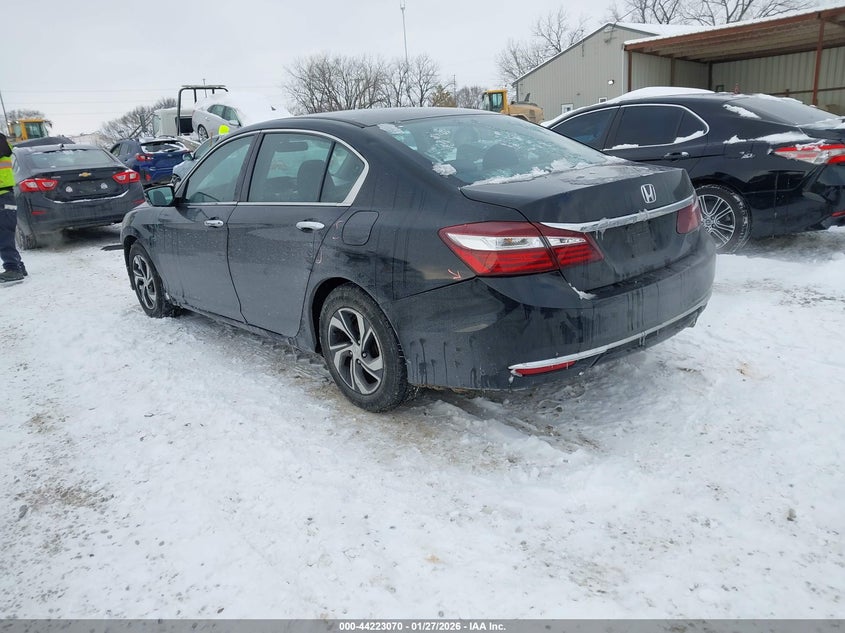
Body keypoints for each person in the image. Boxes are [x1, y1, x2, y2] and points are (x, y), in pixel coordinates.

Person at [0, 132, 27, 283]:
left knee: (4, 232)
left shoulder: (0, 142)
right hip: (4, 195)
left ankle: (13, 269)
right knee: (5, 232)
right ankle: (18, 266)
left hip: (3, 196)